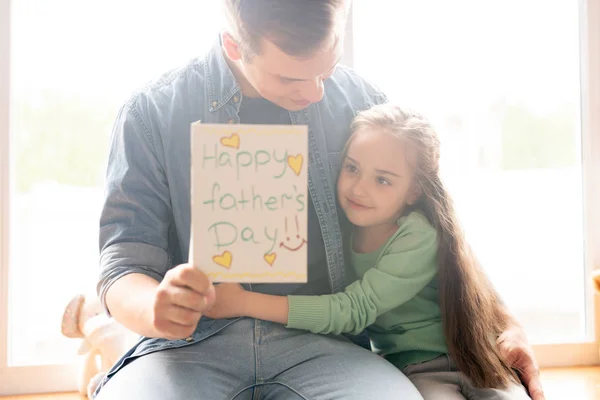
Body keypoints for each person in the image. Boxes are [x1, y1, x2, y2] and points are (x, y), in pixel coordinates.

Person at [95, 1, 545, 399]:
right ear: (234, 45)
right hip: (187, 348)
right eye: (291, 76)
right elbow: (123, 260)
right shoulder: (152, 111)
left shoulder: (364, 103)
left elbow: (435, 231)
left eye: (327, 67)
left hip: (328, 344)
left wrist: (504, 322)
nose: (315, 93)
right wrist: (154, 310)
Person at [204, 104, 532, 399]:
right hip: (415, 371)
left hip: (475, 358)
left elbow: (352, 310)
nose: (359, 188)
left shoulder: (416, 236)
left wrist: (244, 302)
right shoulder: (337, 234)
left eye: (383, 181)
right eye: (352, 169)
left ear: (413, 190)